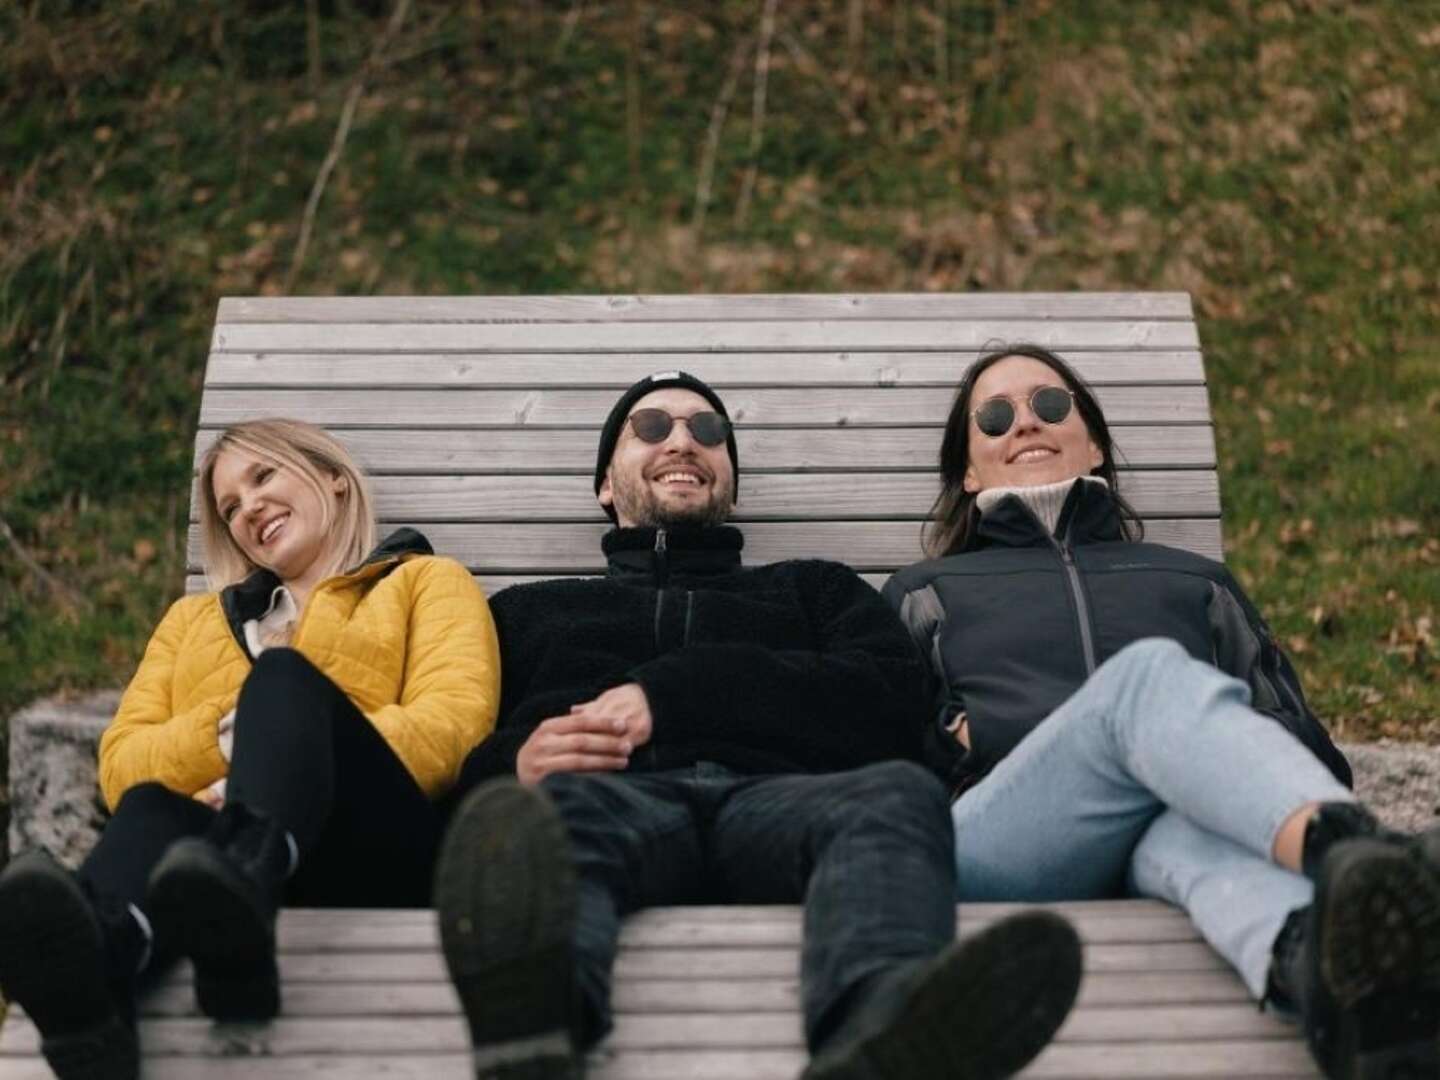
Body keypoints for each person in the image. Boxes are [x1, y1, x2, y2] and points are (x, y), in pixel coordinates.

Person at [433, 370, 1084, 1080]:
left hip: (782, 804)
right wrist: (516, 764)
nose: (684, 441)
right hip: (602, 800)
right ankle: (534, 1036)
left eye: (709, 432)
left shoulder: (814, 588)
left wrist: (679, 692)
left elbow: (894, 703)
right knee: (535, 824)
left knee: (896, 794)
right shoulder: (528, 613)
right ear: (604, 485)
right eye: (652, 428)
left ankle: (880, 1028)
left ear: (730, 482)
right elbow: (464, 757)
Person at [883, 344, 1440, 1080]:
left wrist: (1199, 761)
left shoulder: (1194, 580)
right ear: (969, 470)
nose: (1024, 424)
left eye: (1050, 405)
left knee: (1191, 842)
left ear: (1096, 444)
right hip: (1001, 841)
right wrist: (975, 741)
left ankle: (1353, 1001)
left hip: (1164, 836)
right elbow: (880, 760)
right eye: (994, 416)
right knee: (1146, 677)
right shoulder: (926, 592)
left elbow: (1300, 742)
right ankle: (1356, 852)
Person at [0, 418, 501, 1080]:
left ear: (334, 479)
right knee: (150, 804)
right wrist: (233, 738)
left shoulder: (424, 581)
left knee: (283, 680)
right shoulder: (191, 623)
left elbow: (453, 728)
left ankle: (246, 863)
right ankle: (99, 986)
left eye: (263, 477)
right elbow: (120, 763)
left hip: (378, 848)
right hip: (204, 879)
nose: (247, 510)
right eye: (229, 508)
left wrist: (271, 752)